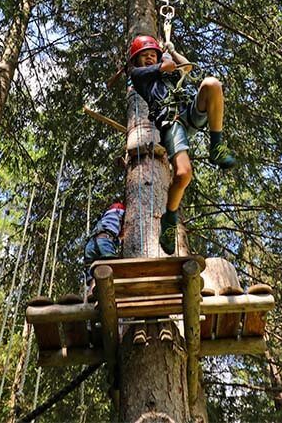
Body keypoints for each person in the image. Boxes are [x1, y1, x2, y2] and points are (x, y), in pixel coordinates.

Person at [128, 35, 237, 254]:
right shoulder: (139, 76)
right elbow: (161, 68)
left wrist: (171, 49)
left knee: (212, 84)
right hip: (172, 122)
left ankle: (216, 146)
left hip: (189, 112)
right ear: (137, 61)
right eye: (144, 56)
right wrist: (164, 62)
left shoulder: (169, 71)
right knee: (183, 174)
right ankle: (169, 220)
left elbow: (185, 67)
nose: (149, 59)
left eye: (152, 55)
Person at [83, 202, 125, 283]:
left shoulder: (104, 218)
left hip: (90, 245)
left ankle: (91, 292)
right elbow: (122, 231)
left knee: (92, 273)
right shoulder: (119, 212)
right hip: (104, 241)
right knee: (111, 267)